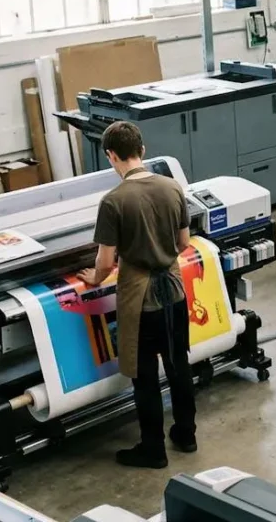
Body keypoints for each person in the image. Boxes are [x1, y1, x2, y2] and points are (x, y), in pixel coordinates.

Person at [79, 121, 196, 469]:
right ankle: (186, 435)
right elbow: (184, 244)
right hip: (173, 293)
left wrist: (93, 278)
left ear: (111, 156)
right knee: (178, 366)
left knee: (144, 376)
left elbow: (105, 261)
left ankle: (152, 449)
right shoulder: (171, 187)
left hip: (140, 298)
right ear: (142, 151)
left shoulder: (113, 201)